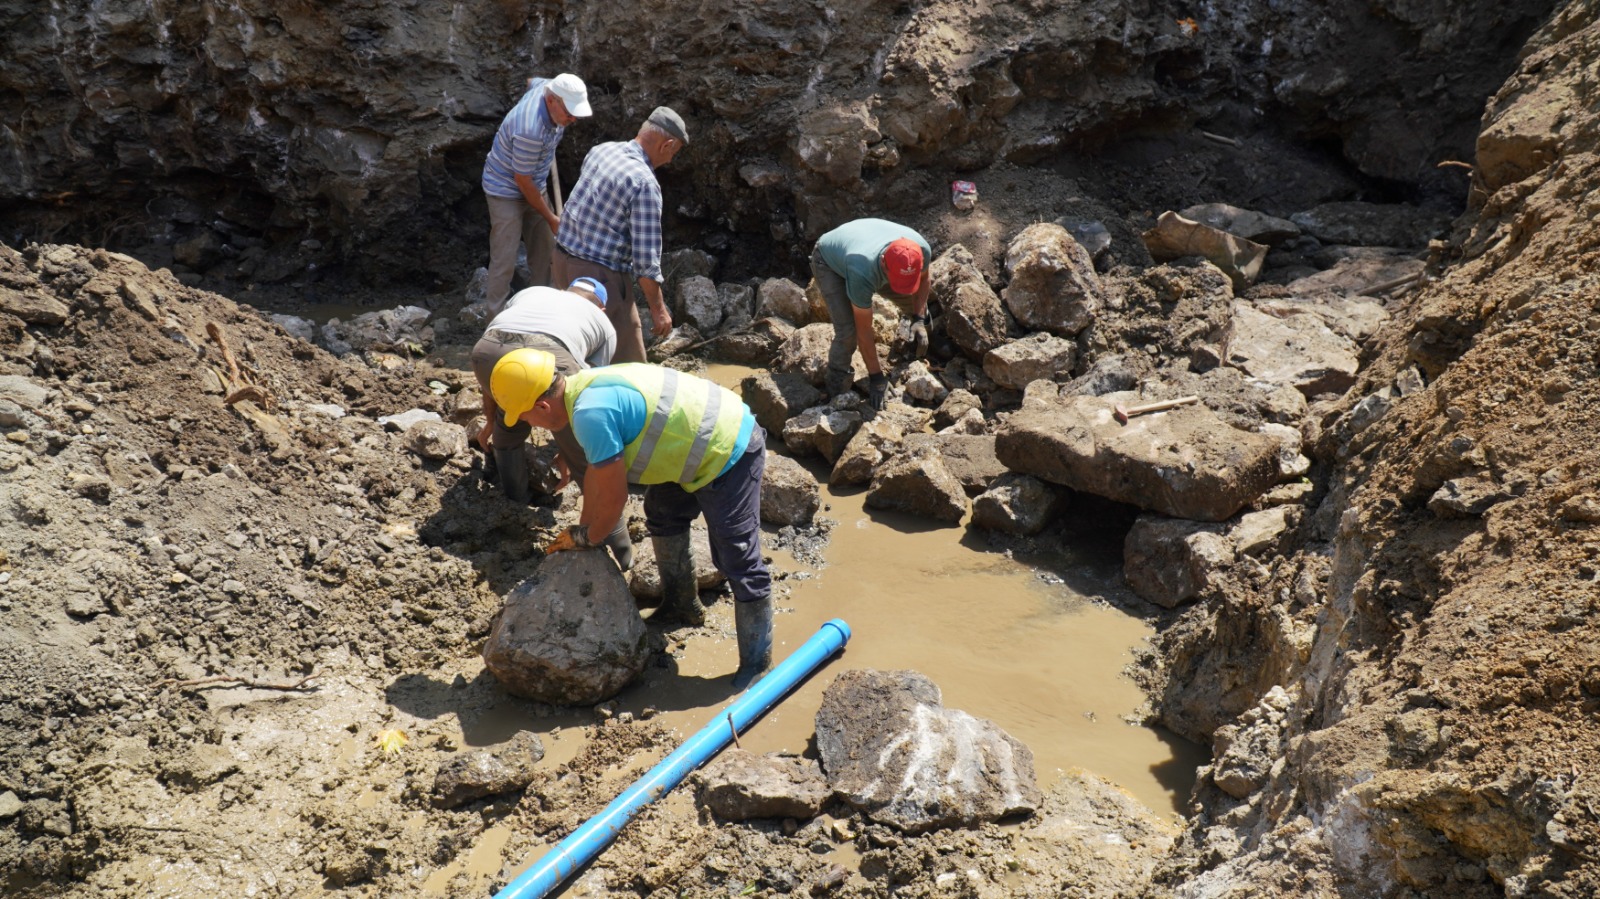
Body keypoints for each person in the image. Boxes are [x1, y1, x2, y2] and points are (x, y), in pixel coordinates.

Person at [489, 350, 773, 689]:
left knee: (736, 556)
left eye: (525, 418)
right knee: (663, 515)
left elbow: (614, 499)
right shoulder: (582, 388)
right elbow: (597, 472)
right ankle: (683, 606)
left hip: (728, 448)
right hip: (691, 445)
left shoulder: (590, 415)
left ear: (543, 407)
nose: (529, 425)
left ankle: (757, 663)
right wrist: (581, 526)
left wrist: (588, 538)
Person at [469, 279, 632, 568]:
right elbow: (589, 397)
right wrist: (570, 448)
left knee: (510, 428)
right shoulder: (603, 325)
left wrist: (491, 421)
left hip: (487, 350)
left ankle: (514, 503)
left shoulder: (532, 292)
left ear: (565, 289)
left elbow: (501, 376)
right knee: (591, 460)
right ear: (602, 307)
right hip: (551, 350)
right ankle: (619, 549)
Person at [553, 106, 688, 364]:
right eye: (675, 152)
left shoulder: (602, 150)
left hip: (561, 261)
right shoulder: (644, 183)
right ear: (667, 144)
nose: (671, 160)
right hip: (600, 279)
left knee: (573, 344)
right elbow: (645, 262)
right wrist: (659, 311)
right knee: (628, 362)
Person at [481, 73, 592, 315]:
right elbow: (522, 182)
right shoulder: (529, 129)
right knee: (505, 258)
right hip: (505, 189)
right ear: (551, 100)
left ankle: (539, 310)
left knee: (545, 249)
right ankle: (495, 321)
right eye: (569, 113)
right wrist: (551, 218)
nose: (573, 119)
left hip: (534, 182)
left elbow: (531, 80)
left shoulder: (545, 86)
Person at [811, 218, 933, 409]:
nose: (901, 288)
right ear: (884, 264)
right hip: (828, 261)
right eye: (898, 280)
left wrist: (918, 318)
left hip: (866, 244)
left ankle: (921, 349)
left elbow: (924, 281)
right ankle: (835, 389)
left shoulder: (920, 250)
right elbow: (864, 332)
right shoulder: (862, 270)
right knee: (848, 332)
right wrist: (876, 378)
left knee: (918, 308)